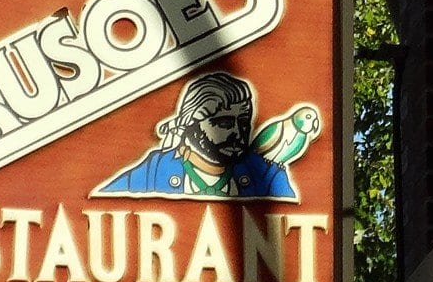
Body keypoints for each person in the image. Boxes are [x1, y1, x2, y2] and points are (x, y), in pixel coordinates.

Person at [94, 71, 297, 200]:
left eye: (243, 122)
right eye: (223, 123)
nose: (238, 133)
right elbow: (96, 205)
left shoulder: (267, 177)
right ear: (190, 124)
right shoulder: (153, 173)